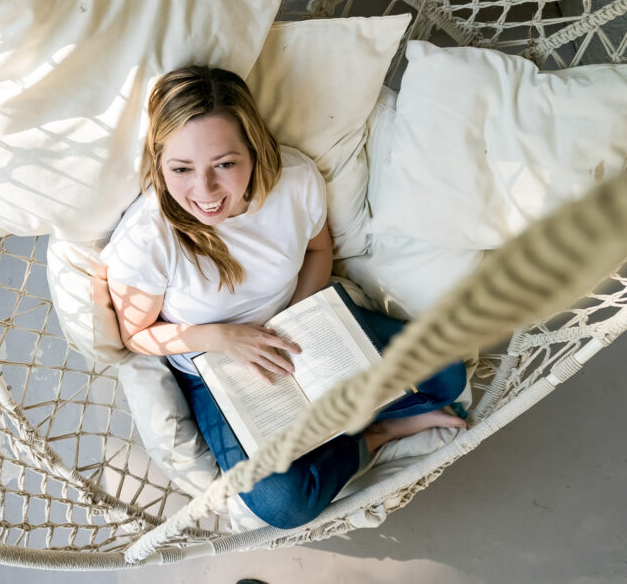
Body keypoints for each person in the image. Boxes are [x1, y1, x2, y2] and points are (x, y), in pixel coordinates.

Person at [100, 65, 467, 529]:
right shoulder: (147, 237)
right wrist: (220, 337)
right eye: (181, 169)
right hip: (217, 367)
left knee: (447, 373)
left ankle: (332, 433)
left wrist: (300, 316)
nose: (205, 191)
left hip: (305, 326)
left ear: (253, 147)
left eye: (225, 164)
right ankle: (374, 436)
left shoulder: (294, 180)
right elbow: (137, 335)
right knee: (282, 503)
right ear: (159, 163)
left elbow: (318, 248)